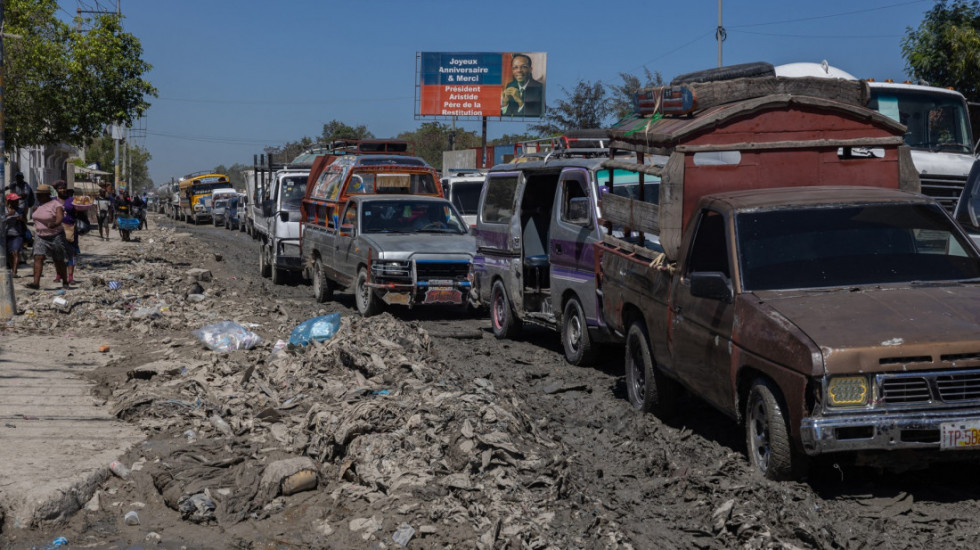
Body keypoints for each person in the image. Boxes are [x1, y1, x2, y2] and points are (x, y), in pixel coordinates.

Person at [26, 184, 69, 290]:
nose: (38, 197)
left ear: (46, 195)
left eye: (40, 195)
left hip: (55, 236)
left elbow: (60, 218)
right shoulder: (39, 205)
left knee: (58, 260)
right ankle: (36, 283)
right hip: (40, 236)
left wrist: (55, 224)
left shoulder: (56, 205)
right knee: (38, 257)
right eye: (37, 195)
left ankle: (65, 281)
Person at [53, 182, 79, 284]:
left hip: (70, 228)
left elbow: (78, 212)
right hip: (56, 229)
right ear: (56, 190)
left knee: (71, 253)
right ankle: (58, 275)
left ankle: (70, 277)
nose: (63, 190)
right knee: (57, 253)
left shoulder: (72, 200)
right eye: (60, 188)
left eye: (64, 188)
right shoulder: (53, 200)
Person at [4, 192, 27, 277]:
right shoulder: (3, 210)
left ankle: (14, 272)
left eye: (17, 201)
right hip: (5, 235)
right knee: (9, 254)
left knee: (15, 252)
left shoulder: (20, 210)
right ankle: (11, 268)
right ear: (9, 201)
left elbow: (25, 221)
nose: (16, 203)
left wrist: (21, 219)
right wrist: (8, 215)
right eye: (14, 201)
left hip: (17, 235)